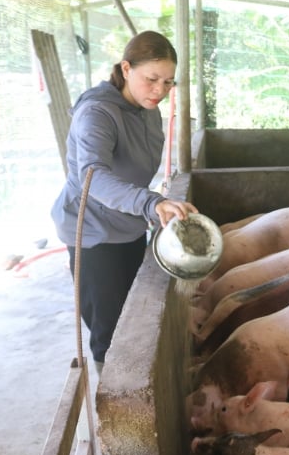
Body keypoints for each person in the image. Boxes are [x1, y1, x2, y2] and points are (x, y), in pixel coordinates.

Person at [51, 30, 197, 374]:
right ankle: (112, 396)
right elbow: (92, 176)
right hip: (93, 232)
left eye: (168, 82)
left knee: (134, 312)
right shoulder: (98, 113)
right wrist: (151, 203)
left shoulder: (147, 110)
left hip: (128, 223)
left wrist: (148, 206)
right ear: (126, 68)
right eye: (151, 79)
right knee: (111, 330)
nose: (160, 90)